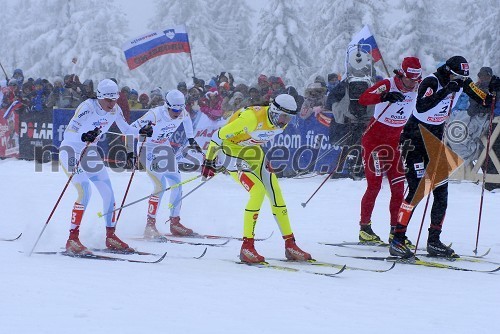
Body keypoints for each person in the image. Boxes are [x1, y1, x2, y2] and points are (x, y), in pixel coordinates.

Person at [390, 56, 500, 258]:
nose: (461, 81)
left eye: (463, 78)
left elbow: (484, 101)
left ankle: (434, 241)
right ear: (448, 71)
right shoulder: (431, 81)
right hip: (415, 137)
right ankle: (397, 238)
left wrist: (494, 90)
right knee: (416, 190)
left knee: (441, 192)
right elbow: (421, 107)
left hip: (435, 138)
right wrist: (447, 90)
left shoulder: (461, 81)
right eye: (457, 77)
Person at [201, 94, 312, 263]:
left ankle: (290, 244)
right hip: (231, 153)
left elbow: (260, 137)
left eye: (289, 117)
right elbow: (217, 136)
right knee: (257, 191)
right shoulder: (250, 119)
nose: (285, 121)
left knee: (275, 193)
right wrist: (209, 161)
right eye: (283, 116)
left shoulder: (281, 122)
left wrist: (265, 160)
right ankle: (247, 247)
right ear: (274, 111)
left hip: (254, 153)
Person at [59, 79, 150, 255]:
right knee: (85, 191)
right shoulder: (88, 107)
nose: (111, 103)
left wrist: (141, 132)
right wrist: (84, 135)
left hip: (89, 152)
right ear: (99, 97)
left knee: (108, 193)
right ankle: (72, 239)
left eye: (114, 99)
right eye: (108, 99)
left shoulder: (115, 109)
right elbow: (68, 133)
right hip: (70, 150)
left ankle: (110, 236)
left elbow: (126, 130)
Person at [357, 57, 422, 246]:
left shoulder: (418, 88)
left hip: (393, 145)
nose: (412, 84)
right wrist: (384, 96)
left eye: (416, 80)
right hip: (374, 143)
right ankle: (365, 228)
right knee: (374, 186)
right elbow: (364, 98)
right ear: (401, 74)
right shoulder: (388, 84)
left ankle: (396, 231)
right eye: (410, 80)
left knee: (398, 189)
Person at [129, 89, 202, 238]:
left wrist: (190, 139)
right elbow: (129, 129)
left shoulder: (182, 112)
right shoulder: (154, 115)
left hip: (163, 146)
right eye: (174, 109)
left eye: (180, 109)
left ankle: (175, 223)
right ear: (166, 106)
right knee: (160, 185)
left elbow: (187, 120)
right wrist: (139, 136)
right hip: (147, 149)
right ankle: (150, 225)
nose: (177, 112)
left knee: (176, 183)